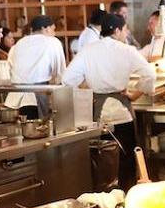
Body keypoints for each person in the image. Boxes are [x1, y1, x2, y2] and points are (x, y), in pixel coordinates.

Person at [62, 13, 155, 189]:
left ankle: (106, 205)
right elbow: (150, 74)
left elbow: (67, 79)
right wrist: (136, 94)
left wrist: (88, 91)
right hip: (122, 114)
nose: (126, 33)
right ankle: (127, 200)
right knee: (127, 162)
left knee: (103, 163)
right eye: (125, 29)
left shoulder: (88, 50)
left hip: (99, 116)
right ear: (117, 30)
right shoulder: (126, 50)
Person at [5, 15, 67, 120]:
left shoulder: (20, 43)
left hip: (14, 98)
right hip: (37, 96)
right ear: (45, 28)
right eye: (53, 29)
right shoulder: (53, 42)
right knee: (41, 130)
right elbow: (60, 74)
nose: (54, 33)